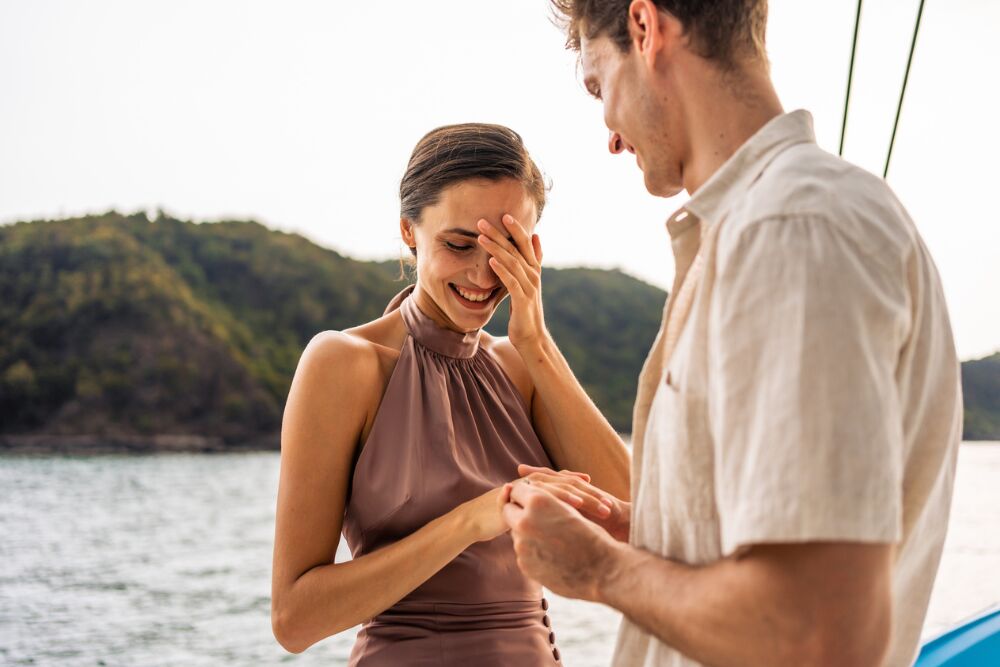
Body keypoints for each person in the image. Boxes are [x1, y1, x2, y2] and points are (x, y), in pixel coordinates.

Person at [501, 2, 964, 666]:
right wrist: (652, 533)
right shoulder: (779, 224)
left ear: (644, 29)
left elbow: (819, 633)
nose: (609, 132)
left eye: (599, 84)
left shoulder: (792, 227)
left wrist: (598, 568)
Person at [270, 122, 631, 665]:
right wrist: (470, 522)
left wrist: (535, 343)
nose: (484, 274)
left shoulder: (523, 367)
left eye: (505, 247)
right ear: (408, 232)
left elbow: (637, 526)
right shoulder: (345, 365)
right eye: (459, 244)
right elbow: (294, 620)